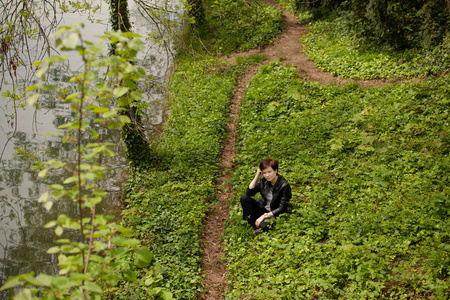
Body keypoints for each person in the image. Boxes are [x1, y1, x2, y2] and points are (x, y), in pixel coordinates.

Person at [240, 158, 292, 233]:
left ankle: (254, 225)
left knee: (265, 226)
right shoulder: (264, 180)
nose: (267, 175)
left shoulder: (284, 185)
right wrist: (257, 175)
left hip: (272, 212)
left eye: (269, 172)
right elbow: (249, 193)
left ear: (276, 170)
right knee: (244, 198)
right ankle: (253, 225)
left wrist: (264, 216)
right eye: (264, 173)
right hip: (262, 207)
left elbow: (282, 209)